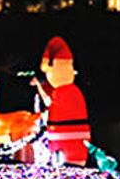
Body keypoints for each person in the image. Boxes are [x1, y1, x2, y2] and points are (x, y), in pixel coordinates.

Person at [29, 36, 92, 165]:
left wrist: (39, 87)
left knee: (69, 164)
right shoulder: (67, 91)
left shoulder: (65, 92)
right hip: (60, 138)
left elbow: (48, 103)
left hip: (68, 137)